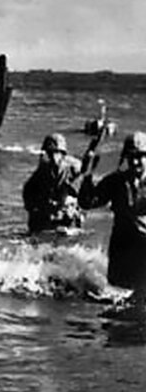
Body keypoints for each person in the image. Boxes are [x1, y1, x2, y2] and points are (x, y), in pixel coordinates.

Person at [78, 132, 146, 317]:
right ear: (125, 158)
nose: (136, 162)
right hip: (122, 250)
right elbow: (87, 202)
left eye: (141, 157)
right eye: (131, 157)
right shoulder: (116, 181)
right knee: (119, 312)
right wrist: (88, 173)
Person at [22, 133, 84, 234]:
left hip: (66, 221)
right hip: (44, 222)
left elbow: (83, 199)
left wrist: (71, 208)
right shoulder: (38, 176)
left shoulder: (73, 171)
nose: (54, 158)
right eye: (50, 153)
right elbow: (29, 201)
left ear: (63, 155)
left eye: (57, 153)